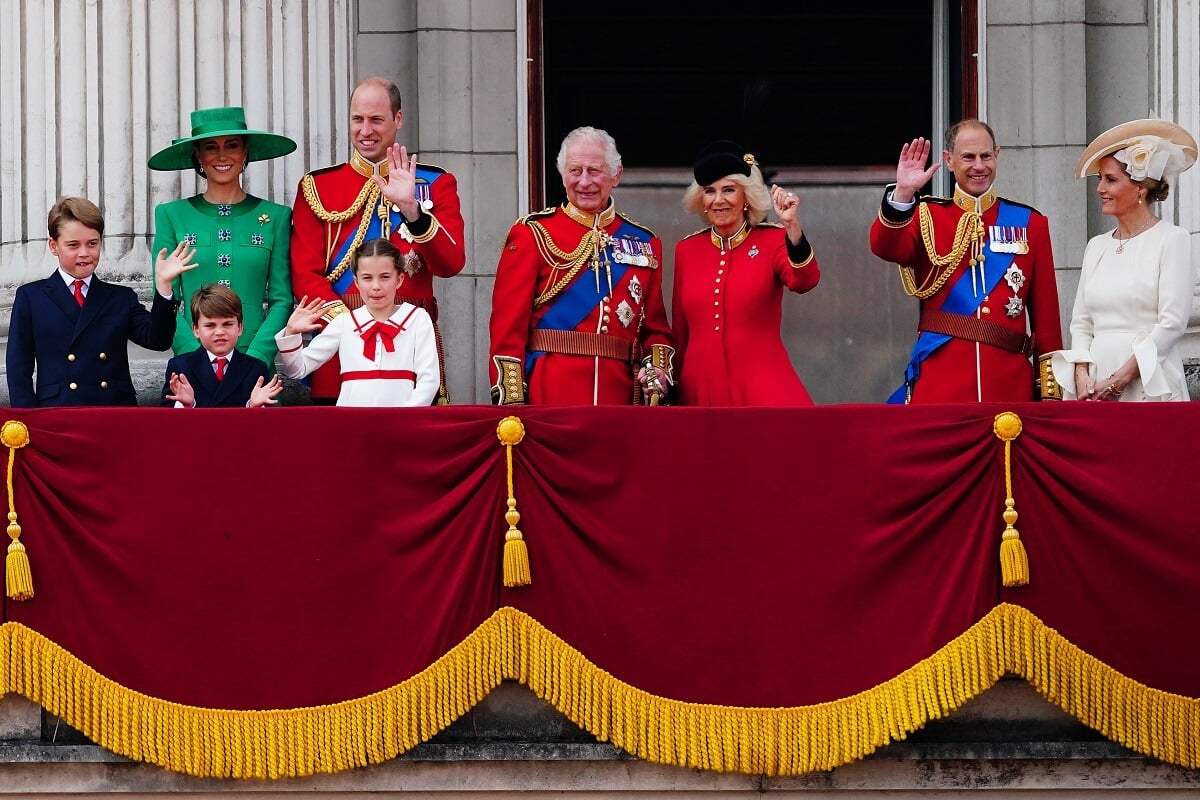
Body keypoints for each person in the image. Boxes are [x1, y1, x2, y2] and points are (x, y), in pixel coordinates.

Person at [289, 76, 465, 405]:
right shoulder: (318, 187)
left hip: (411, 349)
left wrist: (413, 210)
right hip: (340, 355)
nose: (365, 130)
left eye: (376, 120)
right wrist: (353, 328)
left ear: (398, 119)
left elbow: (452, 264)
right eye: (358, 119)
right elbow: (304, 273)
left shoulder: (435, 183)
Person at [869, 119, 1063, 403]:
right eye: (968, 157)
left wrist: (1049, 394)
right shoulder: (927, 217)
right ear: (949, 160)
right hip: (940, 388)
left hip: (1009, 388)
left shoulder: (1030, 224)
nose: (979, 166)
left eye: (986, 156)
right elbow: (885, 247)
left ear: (997, 155)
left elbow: (1046, 318)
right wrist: (903, 194)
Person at [488, 126, 673, 405]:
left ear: (616, 175)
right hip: (550, 393)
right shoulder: (533, 234)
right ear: (563, 176)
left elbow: (655, 330)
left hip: (620, 396)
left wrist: (657, 372)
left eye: (594, 171)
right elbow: (507, 329)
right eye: (575, 171)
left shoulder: (645, 243)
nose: (584, 182)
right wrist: (513, 401)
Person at [1048, 119, 1198, 401]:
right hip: (1094, 384)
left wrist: (1119, 380)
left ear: (1140, 188)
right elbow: (1080, 323)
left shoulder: (1172, 239)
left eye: (1111, 180)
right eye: (1100, 179)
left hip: (1148, 380)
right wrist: (1081, 374)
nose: (1100, 189)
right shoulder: (1096, 246)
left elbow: (1171, 324)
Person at [671, 140, 820, 406]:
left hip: (762, 386)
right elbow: (681, 333)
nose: (718, 200)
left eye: (729, 190)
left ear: (746, 198)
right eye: (709, 191)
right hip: (699, 391)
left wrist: (792, 227)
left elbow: (805, 281)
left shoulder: (772, 240)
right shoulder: (687, 250)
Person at [7, 197, 194, 407]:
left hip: (113, 412)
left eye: (92, 244)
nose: (84, 253)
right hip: (57, 412)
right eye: (73, 245)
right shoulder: (31, 297)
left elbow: (159, 340)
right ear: (54, 246)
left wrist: (164, 286)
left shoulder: (120, 297)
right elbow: (18, 367)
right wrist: (26, 420)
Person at [148, 106, 296, 370]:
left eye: (232, 145)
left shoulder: (276, 217)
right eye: (210, 147)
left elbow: (282, 299)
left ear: (245, 151)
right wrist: (196, 359)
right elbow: (165, 296)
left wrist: (257, 358)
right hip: (192, 370)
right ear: (198, 155)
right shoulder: (171, 215)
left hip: (255, 369)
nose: (222, 155)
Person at [275, 238, 439, 407]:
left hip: (402, 424)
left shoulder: (417, 318)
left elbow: (429, 379)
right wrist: (292, 333)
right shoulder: (345, 322)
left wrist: (405, 417)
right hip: (350, 424)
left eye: (385, 277)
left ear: (399, 280)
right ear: (356, 282)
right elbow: (298, 369)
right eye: (367, 278)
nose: (376, 286)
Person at [161, 284, 284, 408]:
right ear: (196, 329)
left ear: (240, 327)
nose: (219, 332)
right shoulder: (180, 367)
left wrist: (252, 406)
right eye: (210, 325)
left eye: (227, 324)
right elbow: (164, 418)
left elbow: (266, 423)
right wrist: (187, 405)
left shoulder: (256, 369)